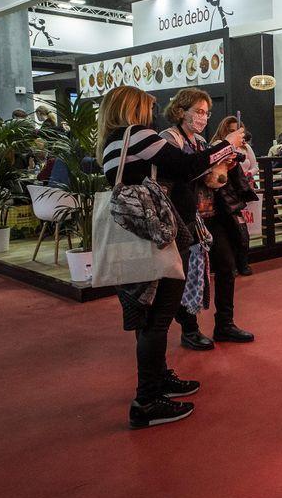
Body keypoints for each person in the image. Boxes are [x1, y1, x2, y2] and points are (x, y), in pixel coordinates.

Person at [98, 86, 243, 429]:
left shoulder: (112, 142)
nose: (151, 113)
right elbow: (184, 165)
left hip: (135, 239)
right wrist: (228, 145)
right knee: (157, 317)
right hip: (157, 237)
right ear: (134, 109)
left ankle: (159, 379)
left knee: (148, 315)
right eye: (147, 107)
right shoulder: (139, 135)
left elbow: (180, 169)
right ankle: (147, 400)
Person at [159, 89, 254, 348]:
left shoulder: (200, 141)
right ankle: (189, 330)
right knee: (186, 275)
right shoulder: (169, 139)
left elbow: (210, 178)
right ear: (181, 110)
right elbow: (185, 170)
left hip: (209, 216)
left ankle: (225, 323)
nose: (203, 117)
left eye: (206, 113)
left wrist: (225, 165)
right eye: (198, 111)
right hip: (182, 218)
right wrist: (225, 147)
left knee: (226, 266)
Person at [211, 116, 259, 278]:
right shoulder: (218, 146)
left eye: (237, 130)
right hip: (223, 194)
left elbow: (254, 165)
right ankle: (233, 265)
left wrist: (247, 174)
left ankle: (239, 264)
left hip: (240, 193)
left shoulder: (244, 148)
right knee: (234, 232)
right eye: (231, 131)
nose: (235, 133)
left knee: (241, 232)